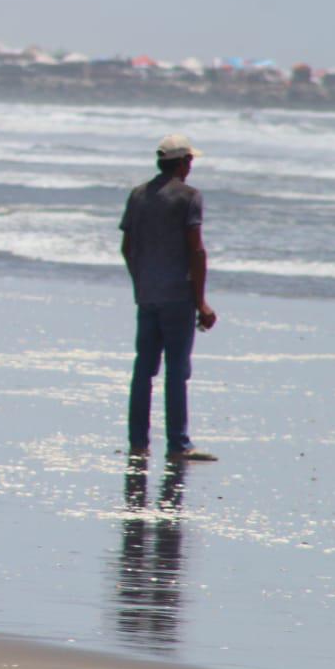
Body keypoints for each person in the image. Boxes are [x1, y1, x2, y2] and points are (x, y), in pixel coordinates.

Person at [120, 134, 218, 462]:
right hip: (178, 297)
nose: (191, 166)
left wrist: (142, 285)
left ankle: (138, 443)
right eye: (189, 161)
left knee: (144, 370)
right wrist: (201, 302)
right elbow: (197, 251)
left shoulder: (137, 196)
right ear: (180, 163)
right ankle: (178, 444)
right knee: (177, 370)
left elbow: (127, 248)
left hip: (147, 296)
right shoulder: (189, 197)